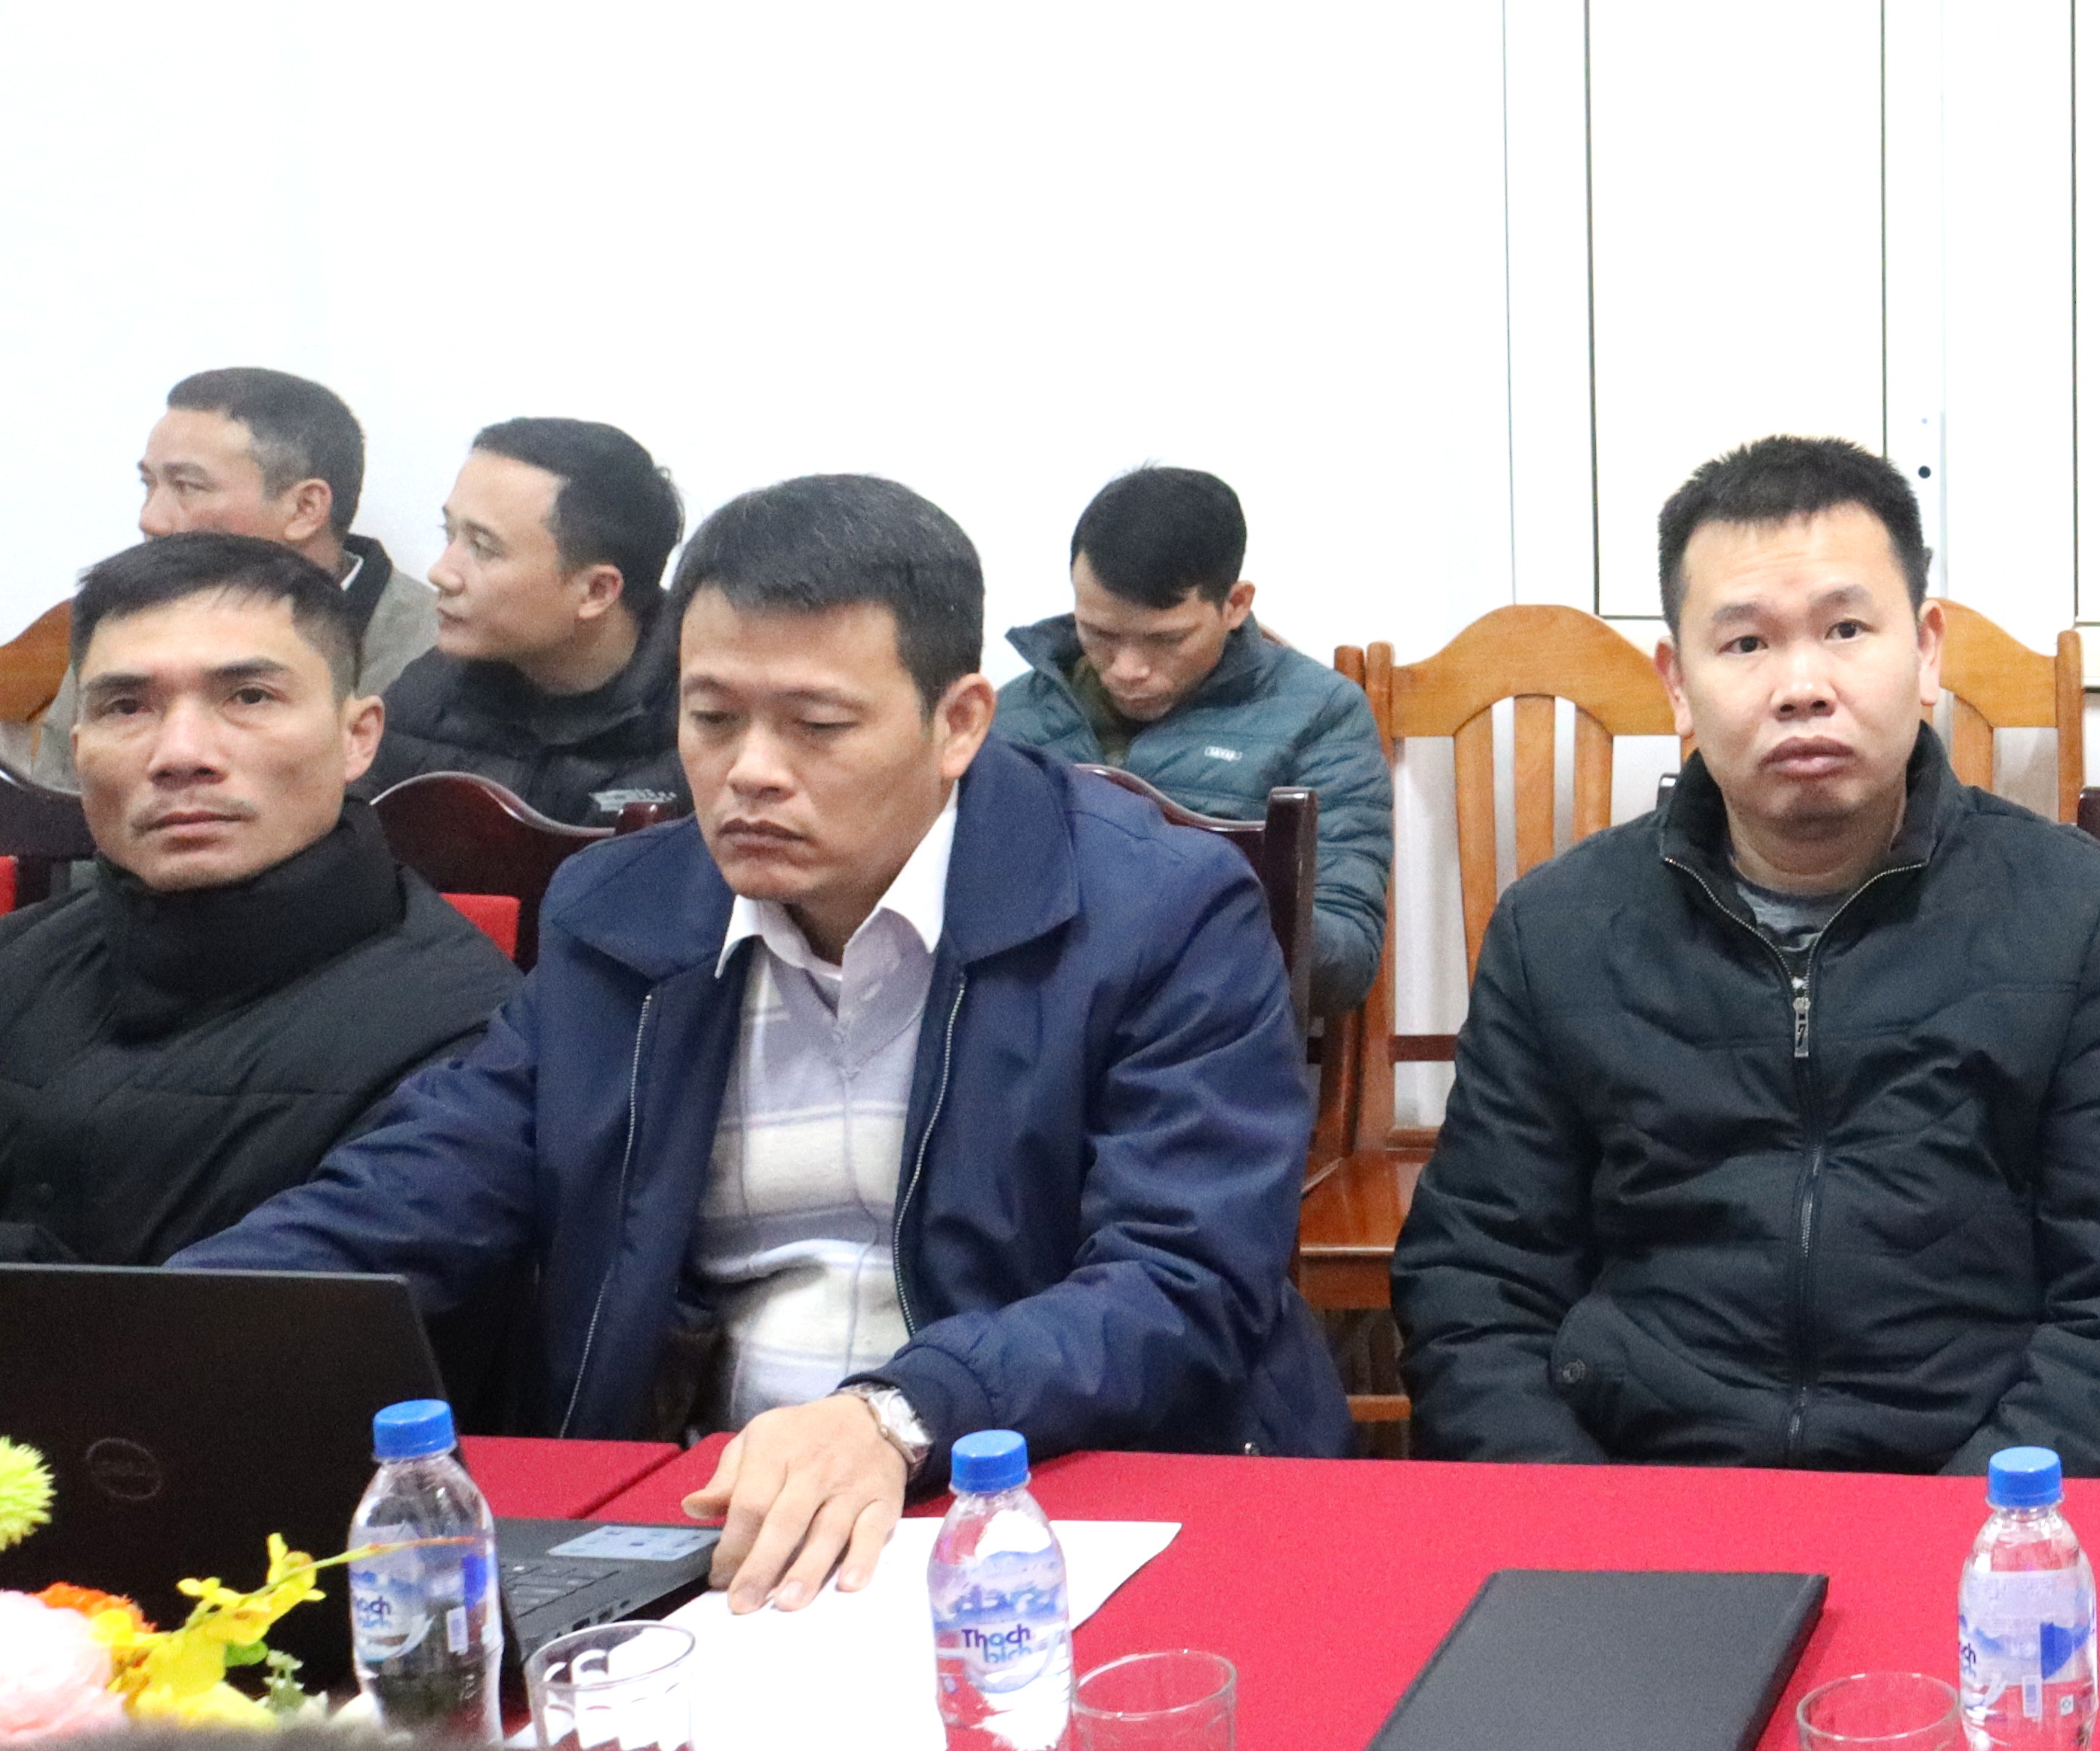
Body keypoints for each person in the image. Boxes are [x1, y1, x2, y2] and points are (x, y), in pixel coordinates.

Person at [186, 473, 1341, 1609]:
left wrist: (897, 1413)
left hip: (1044, 1495)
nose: (750, 771)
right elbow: (430, 1175)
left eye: (816, 725)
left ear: (958, 722)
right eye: (711, 716)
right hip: (711, 1511)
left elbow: (1182, 1273)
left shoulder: (1154, 907)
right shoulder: (626, 913)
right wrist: (169, 1323)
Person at [1394, 433, 2100, 1473]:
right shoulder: (1555, 929)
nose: (1802, 685)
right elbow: (1475, 1284)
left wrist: (1982, 1524)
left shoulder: (2081, 917)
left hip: (1971, 1495)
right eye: (1745, 643)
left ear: (1927, 651)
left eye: (1846, 629)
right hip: (1639, 1493)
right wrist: (1583, 1520)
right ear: (1675, 683)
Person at [0, 535, 519, 1263]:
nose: (182, 754)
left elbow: (265, 1319)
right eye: (127, 706)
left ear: (357, 736)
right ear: (78, 745)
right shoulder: (19, 958)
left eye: (249, 696)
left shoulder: (472, 1039)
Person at [989, 466, 1388, 1021]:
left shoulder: (1319, 713)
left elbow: (1346, 962)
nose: (1127, 669)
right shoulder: (1008, 718)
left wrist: (1211, 904)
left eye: (1167, 639)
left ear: (1236, 604)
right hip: (1025, 1040)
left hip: (1212, 1039)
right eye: (1099, 634)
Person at [19, 369, 429, 783]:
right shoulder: (126, 622)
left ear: (305, 508)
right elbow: (58, 798)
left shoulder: (428, 650)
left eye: (187, 486)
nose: (151, 520)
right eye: (149, 484)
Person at [372, 419, 690, 823]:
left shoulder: (702, 724)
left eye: (483, 548)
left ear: (596, 591)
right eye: (449, 534)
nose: (441, 573)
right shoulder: (425, 696)